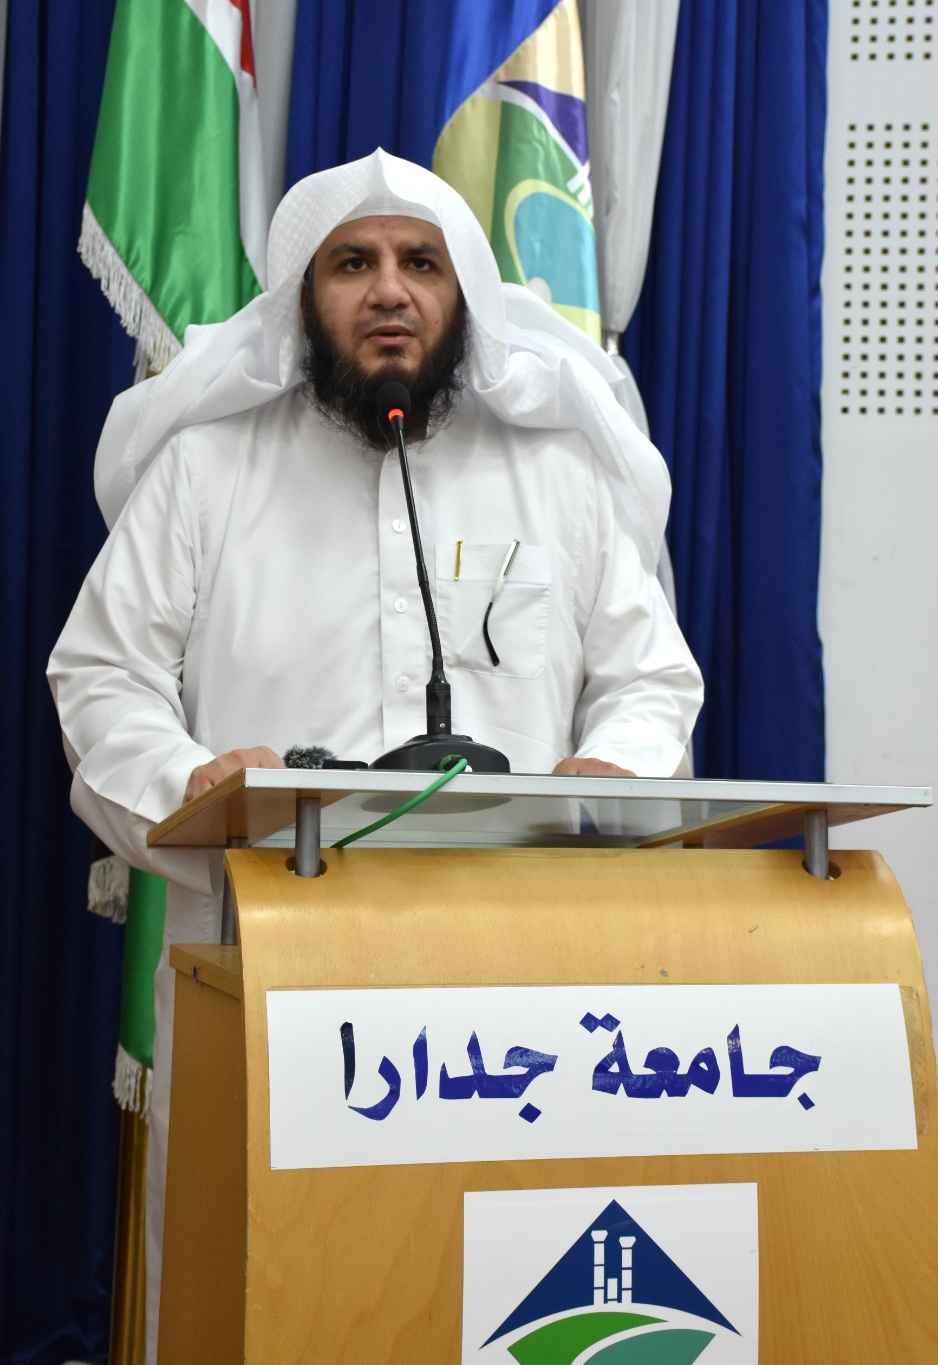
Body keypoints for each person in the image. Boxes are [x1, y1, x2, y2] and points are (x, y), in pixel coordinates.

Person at [48, 149, 702, 1362]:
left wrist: (614, 770)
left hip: (513, 981)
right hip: (263, 958)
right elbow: (101, 674)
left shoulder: (552, 470)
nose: (388, 289)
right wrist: (188, 784)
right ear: (304, 298)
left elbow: (650, 679)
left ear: (465, 296)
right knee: (262, 1293)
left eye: (420, 263)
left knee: (496, 1298)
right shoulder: (209, 466)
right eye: (352, 263)